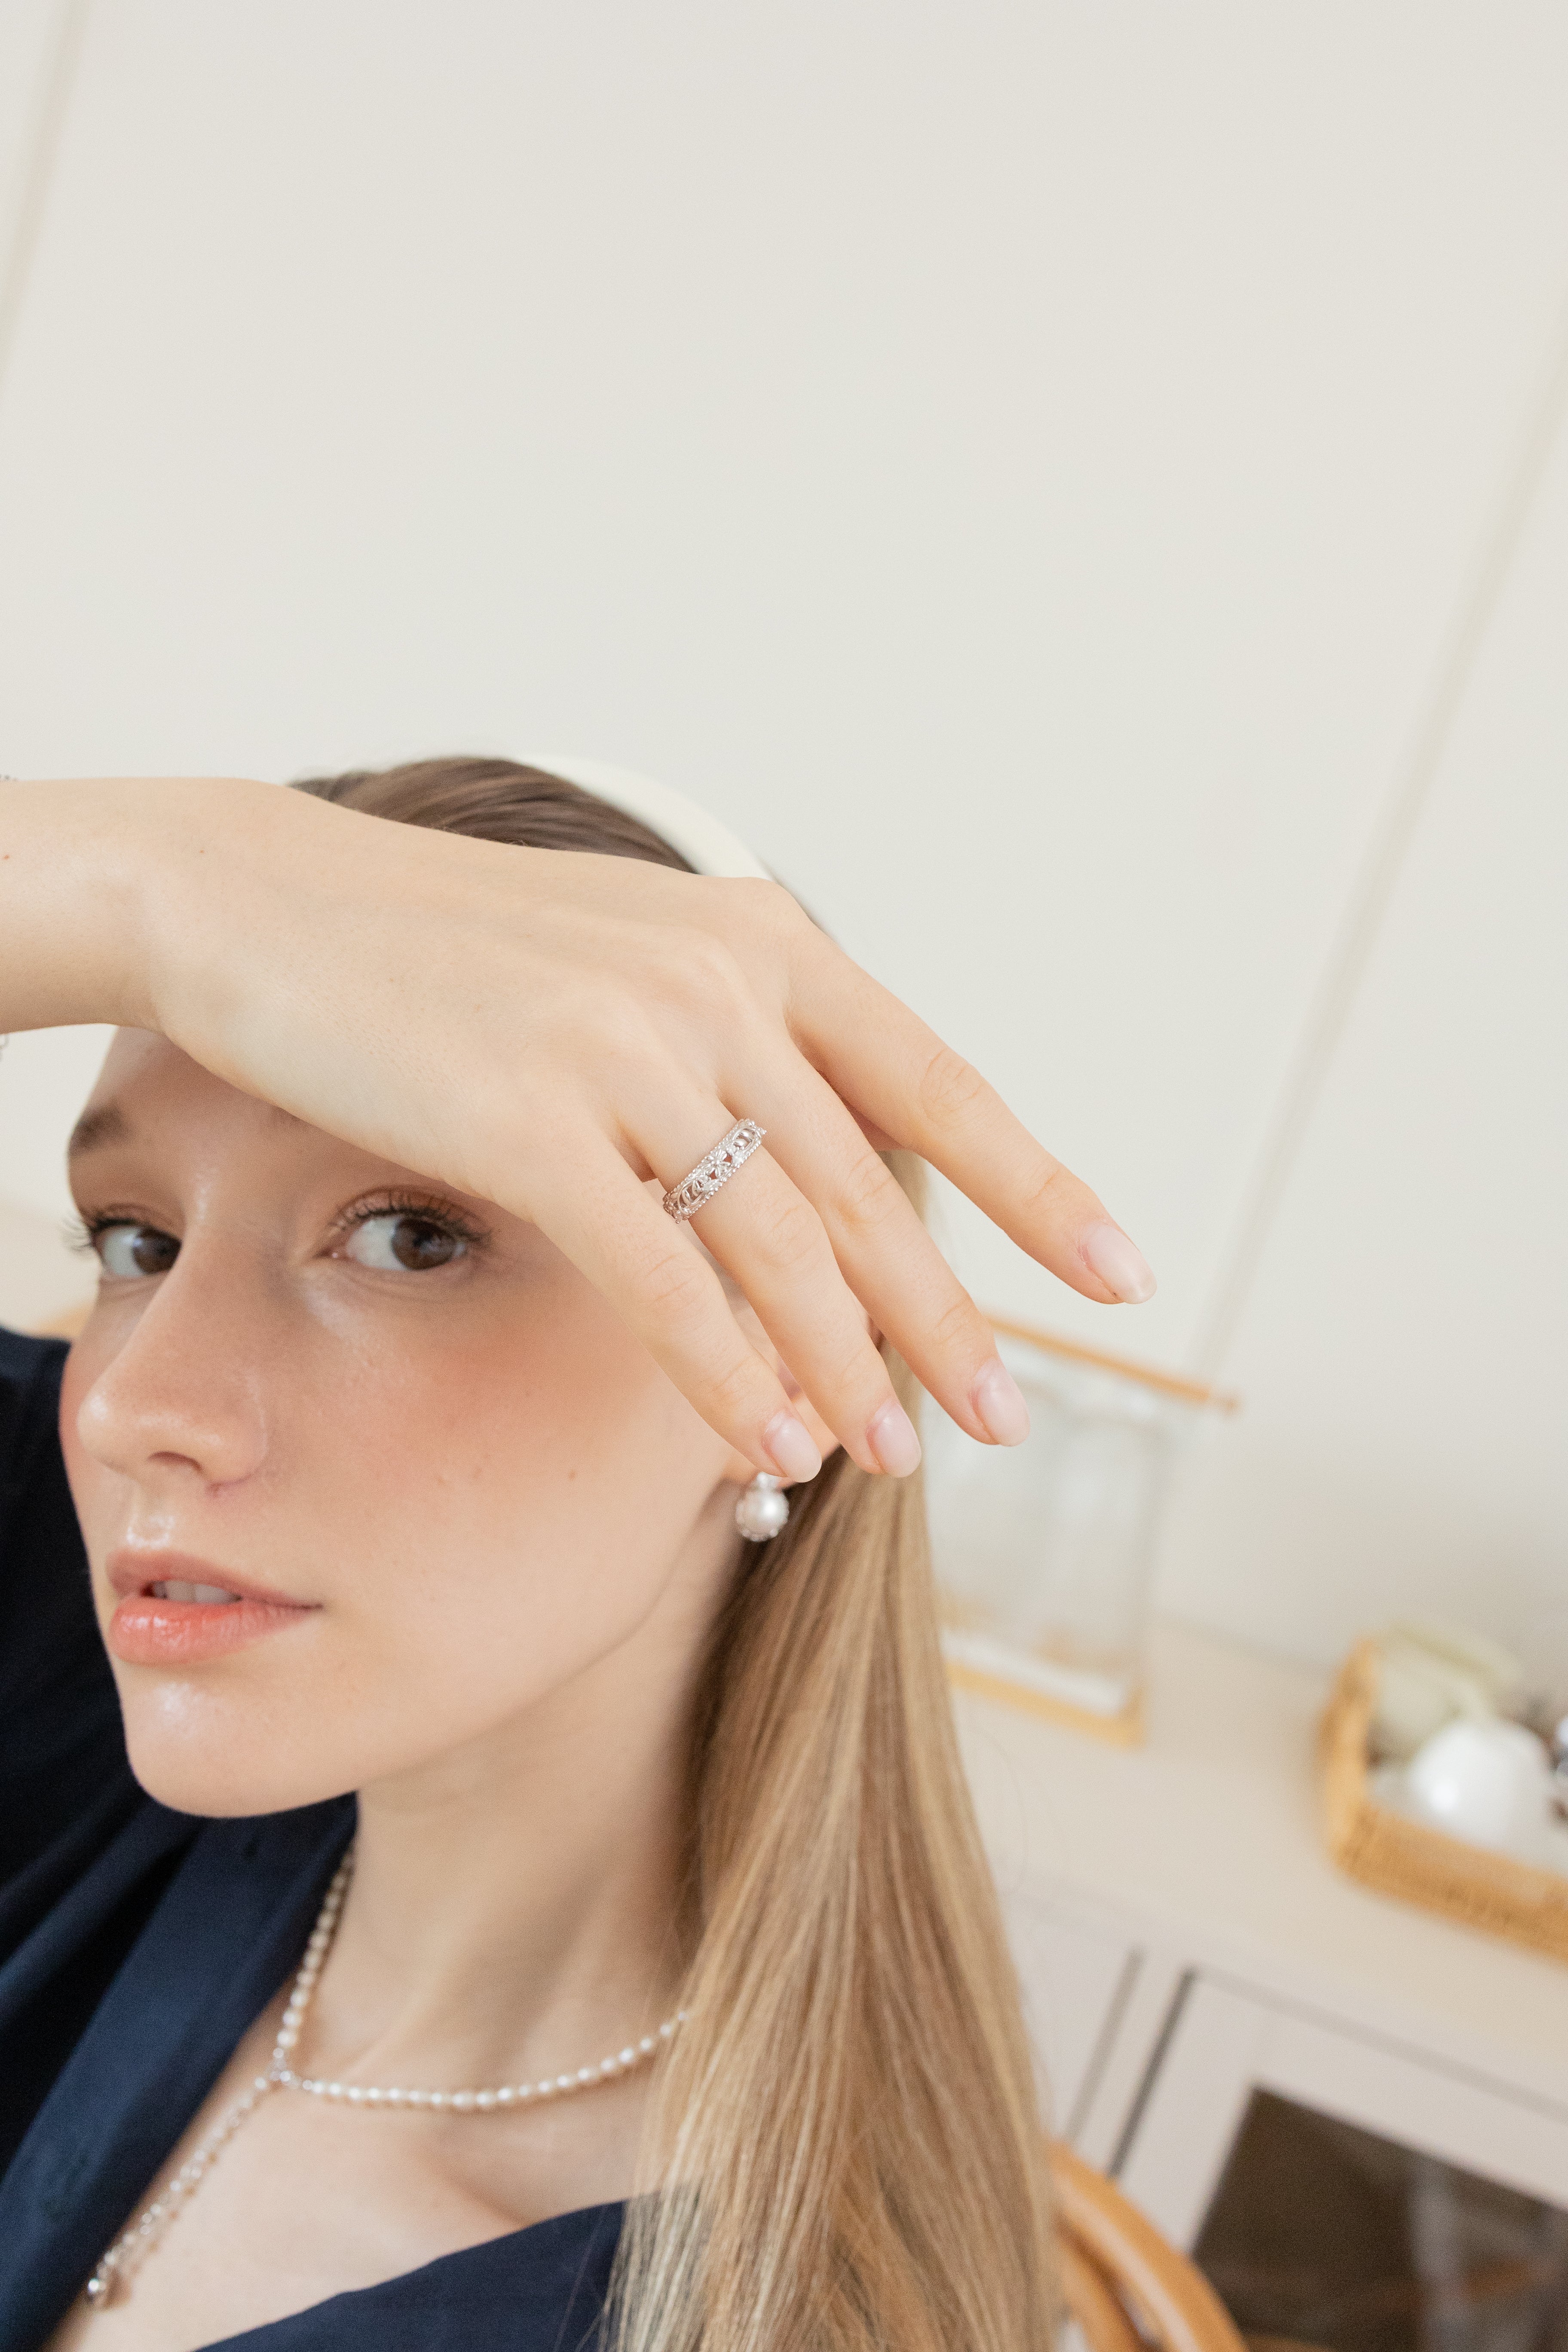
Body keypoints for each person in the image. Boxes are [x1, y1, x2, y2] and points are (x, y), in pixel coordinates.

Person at [0, 759, 1157, 2352]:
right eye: (138, 1240)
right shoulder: (94, 1647)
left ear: (797, 1362)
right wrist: (149, 882)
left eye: (412, 1234)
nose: (134, 1403)